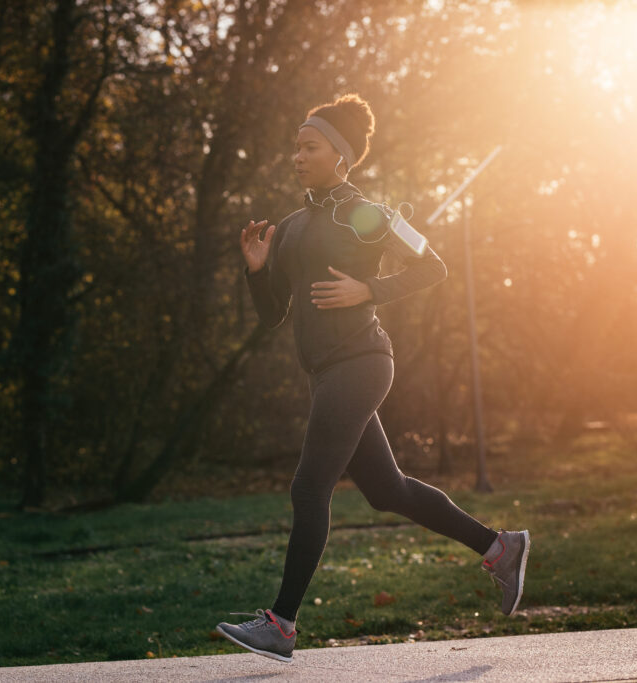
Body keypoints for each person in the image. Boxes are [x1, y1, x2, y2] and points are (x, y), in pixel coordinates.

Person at [215, 94, 530, 663]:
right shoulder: (287, 228)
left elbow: (432, 264)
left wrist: (370, 290)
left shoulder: (368, 214)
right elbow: (272, 316)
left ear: (340, 155)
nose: (297, 156)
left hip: (361, 361)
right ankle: (498, 548)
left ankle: (280, 625)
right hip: (327, 372)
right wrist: (256, 271)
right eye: (295, 147)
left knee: (309, 488)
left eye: (309, 146)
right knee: (389, 492)